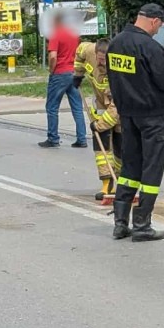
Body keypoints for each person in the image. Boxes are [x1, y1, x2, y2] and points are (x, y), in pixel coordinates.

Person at [106, 3, 164, 242]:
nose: (158, 30)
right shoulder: (151, 47)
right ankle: (142, 224)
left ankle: (120, 223)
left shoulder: (115, 43)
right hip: (154, 116)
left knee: (129, 169)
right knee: (152, 170)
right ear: (155, 21)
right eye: (159, 25)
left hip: (128, 116)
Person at [39, 11, 88, 149]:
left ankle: (53, 138)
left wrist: (51, 70)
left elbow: (53, 56)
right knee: (77, 107)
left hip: (60, 73)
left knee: (52, 107)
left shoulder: (55, 34)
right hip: (73, 72)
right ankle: (82, 139)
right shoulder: (73, 35)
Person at [87, 38, 124, 200]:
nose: (101, 63)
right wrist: (77, 74)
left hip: (121, 114)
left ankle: (122, 183)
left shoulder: (118, 73)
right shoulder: (88, 51)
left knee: (120, 150)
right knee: (102, 152)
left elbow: (116, 108)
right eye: (99, 59)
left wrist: (98, 125)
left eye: (104, 60)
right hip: (101, 108)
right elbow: (79, 53)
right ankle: (106, 185)